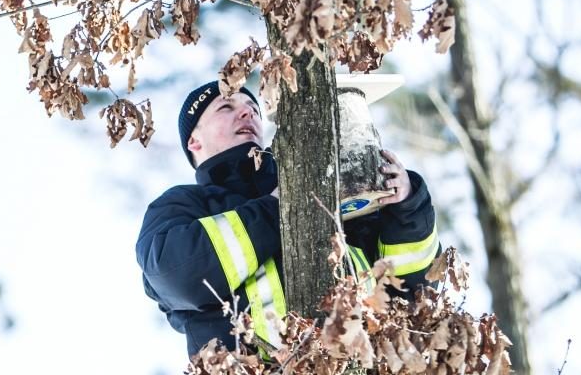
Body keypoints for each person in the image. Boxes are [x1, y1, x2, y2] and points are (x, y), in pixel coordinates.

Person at [136, 81, 439, 358]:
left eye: (253, 108)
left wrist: (408, 205)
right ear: (194, 142)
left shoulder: (323, 193)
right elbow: (176, 272)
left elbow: (411, 293)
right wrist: (277, 209)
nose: (247, 113)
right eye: (226, 107)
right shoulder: (183, 204)